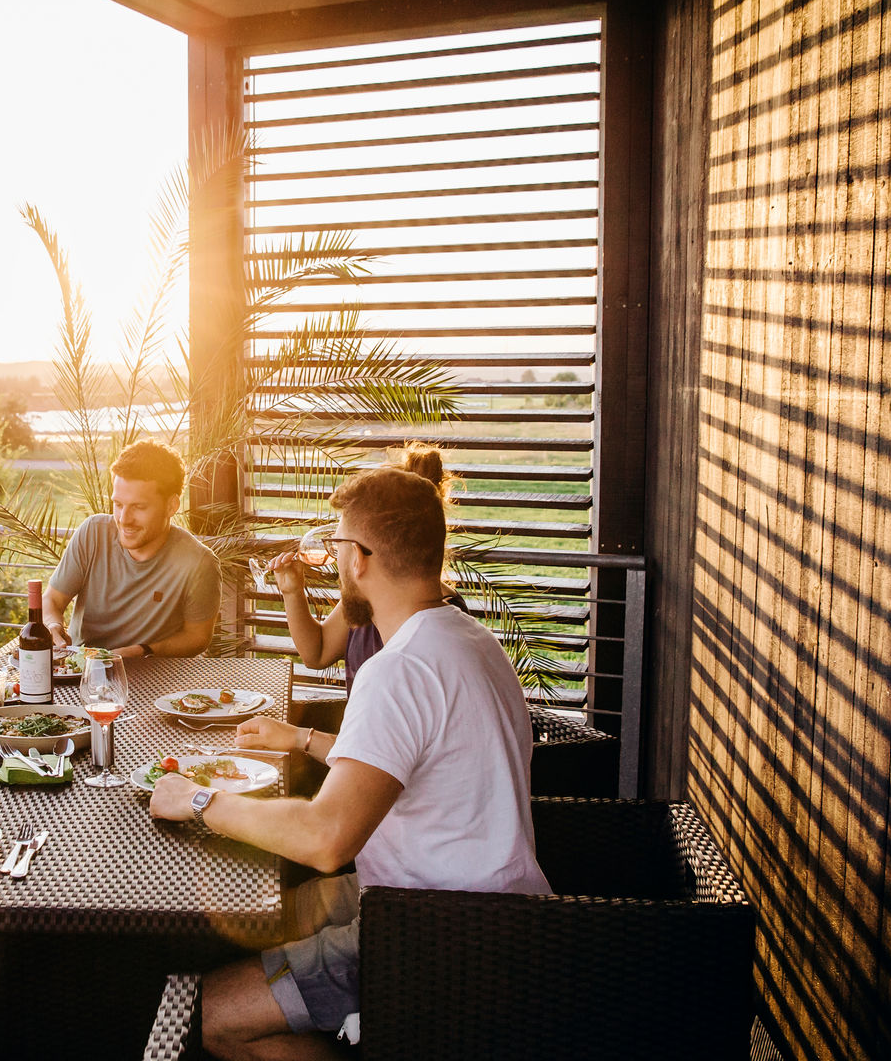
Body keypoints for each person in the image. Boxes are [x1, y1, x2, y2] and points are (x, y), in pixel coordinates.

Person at [149, 464, 550, 1060]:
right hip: (493, 912)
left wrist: (201, 799)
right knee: (264, 913)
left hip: (436, 934)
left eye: (338, 545)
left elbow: (326, 837)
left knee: (209, 1015)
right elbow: (407, 767)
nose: (336, 560)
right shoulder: (467, 637)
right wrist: (305, 741)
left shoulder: (399, 669)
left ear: (359, 557)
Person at [267, 446, 466, 682]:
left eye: (342, 540)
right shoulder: (368, 596)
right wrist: (292, 590)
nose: (339, 553)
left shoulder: (434, 635)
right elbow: (317, 653)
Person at [44, 440, 220, 657]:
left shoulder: (199, 562)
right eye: (118, 504)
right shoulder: (92, 533)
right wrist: (53, 626)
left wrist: (144, 651)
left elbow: (197, 638)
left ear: (171, 506)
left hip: (154, 675)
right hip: (82, 672)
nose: (124, 519)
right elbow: (52, 600)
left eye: (139, 507)